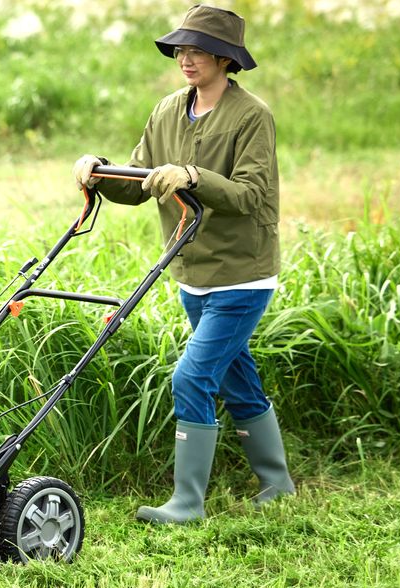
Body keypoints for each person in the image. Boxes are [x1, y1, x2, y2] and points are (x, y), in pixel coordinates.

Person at [73, 4, 295, 523]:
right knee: (236, 376)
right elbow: (141, 183)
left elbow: (251, 195)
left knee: (191, 378)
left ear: (225, 58)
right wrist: (98, 172)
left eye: (197, 50)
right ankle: (278, 482)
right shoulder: (168, 110)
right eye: (181, 49)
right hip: (190, 272)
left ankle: (187, 502)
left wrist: (193, 176)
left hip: (242, 274)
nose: (185, 58)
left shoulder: (252, 116)